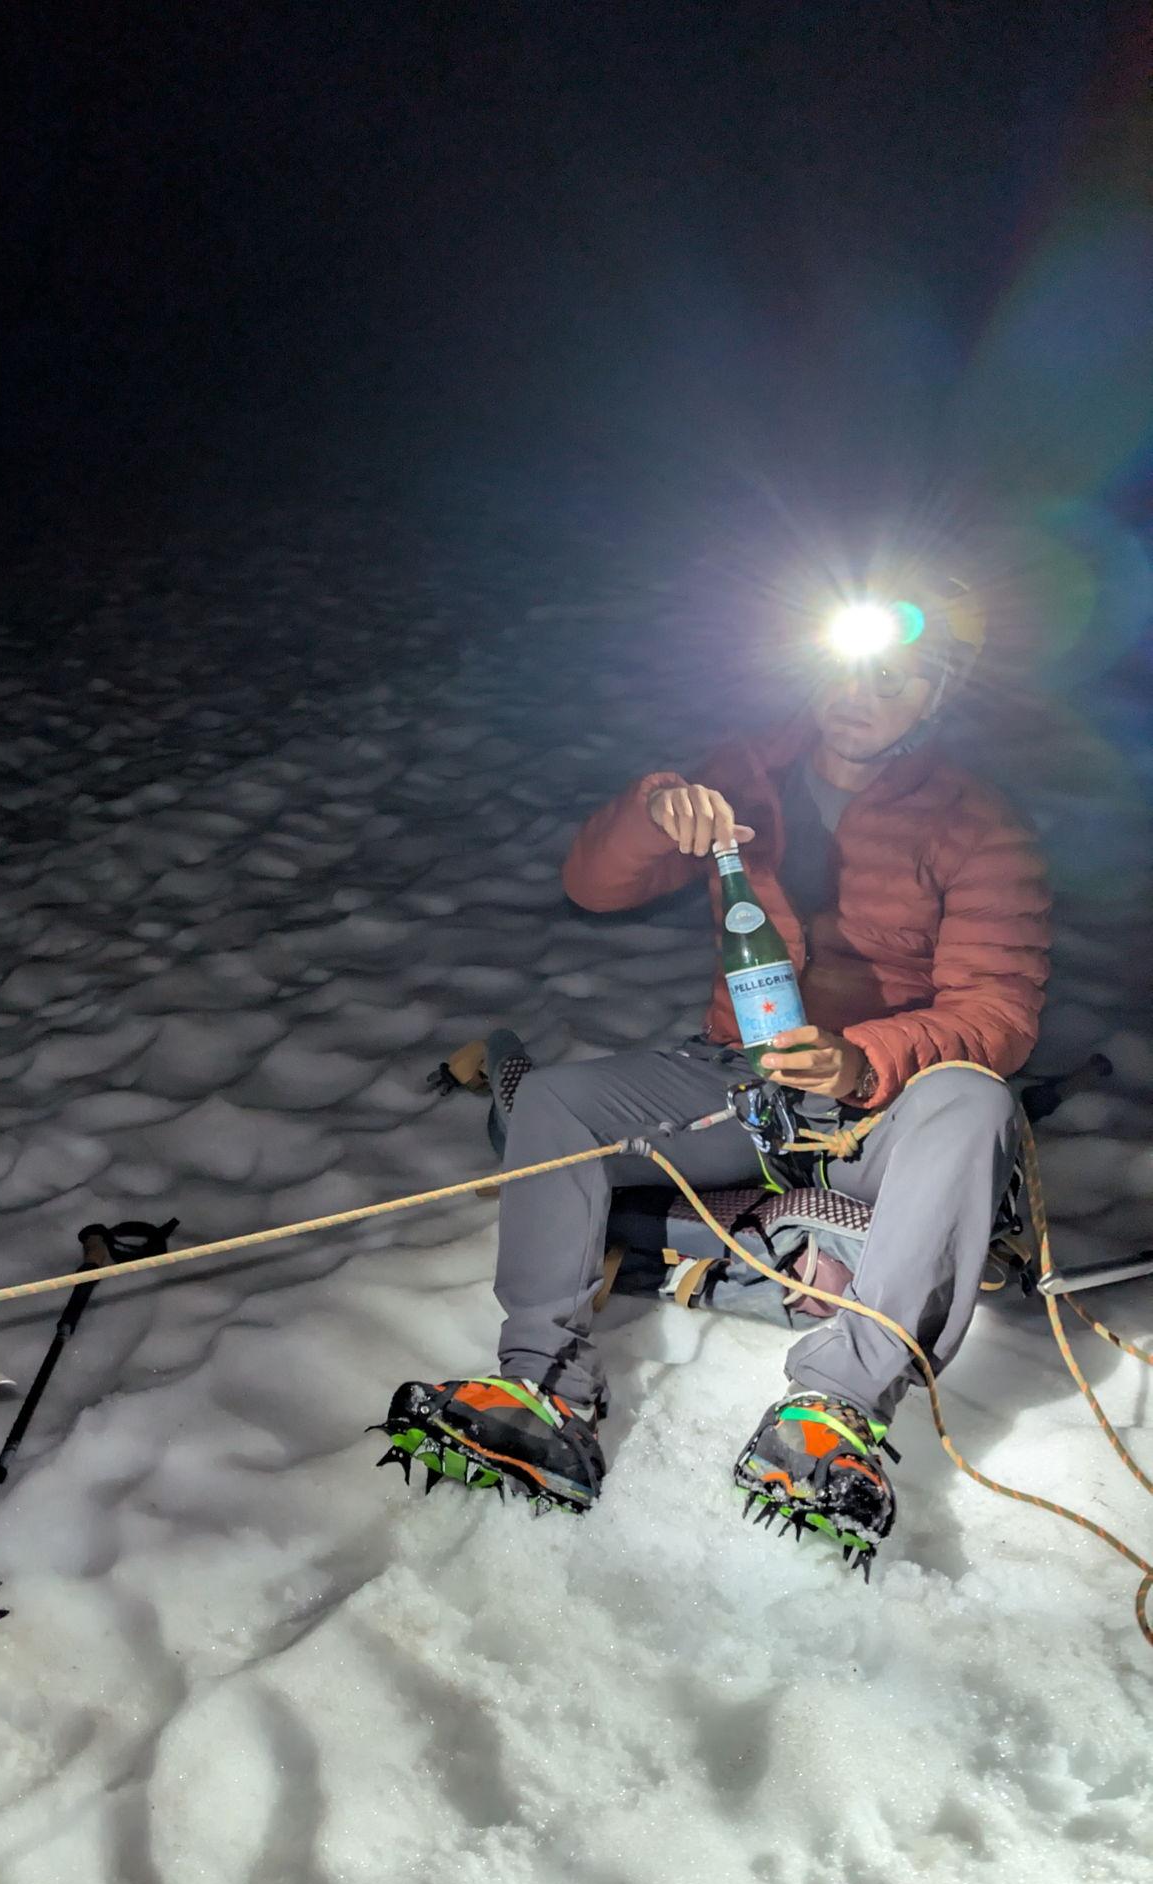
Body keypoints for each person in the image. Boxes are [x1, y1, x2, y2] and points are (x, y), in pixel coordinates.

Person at [390, 574, 1051, 1560]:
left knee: (972, 1096)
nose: (865, 693)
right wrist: (656, 806)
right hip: (735, 1081)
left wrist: (858, 1057)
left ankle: (835, 1413)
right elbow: (592, 883)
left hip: (886, 1107)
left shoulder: (976, 822)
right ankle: (542, 1388)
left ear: (936, 699)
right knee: (561, 1102)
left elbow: (999, 1007)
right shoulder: (742, 770)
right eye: (851, 666)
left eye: (901, 680)